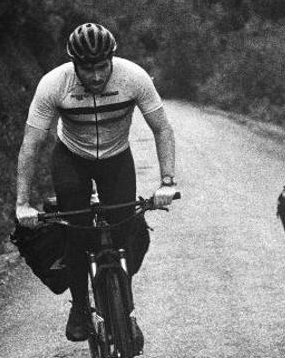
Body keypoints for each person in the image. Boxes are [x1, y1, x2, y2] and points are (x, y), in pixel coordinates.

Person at [14, 22, 178, 342]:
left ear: (112, 60)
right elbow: (31, 145)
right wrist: (22, 203)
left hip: (117, 158)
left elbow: (163, 129)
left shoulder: (134, 77)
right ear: (74, 64)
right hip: (71, 158)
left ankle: (126, 310)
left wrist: (167, 182)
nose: (96, 75)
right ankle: (79, 307)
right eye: (87, 68)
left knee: (126, 227)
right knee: (76, 230)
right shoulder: (54, 84)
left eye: (102, 66)